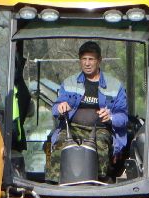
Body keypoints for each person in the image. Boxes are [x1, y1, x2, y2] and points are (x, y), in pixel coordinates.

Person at [46, 41, 128, 181]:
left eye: (91, 59)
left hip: (100, 129)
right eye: (84, 59)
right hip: (72, 128)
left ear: (99, 60)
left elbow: (123, 118)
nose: (87, 63)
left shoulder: (115, 85)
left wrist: (110, 117)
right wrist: (60, 108)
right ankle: (55, 183)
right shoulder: (69, 82)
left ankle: (99, 181)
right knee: (60, 142)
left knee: (101, 143)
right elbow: (55, 108)